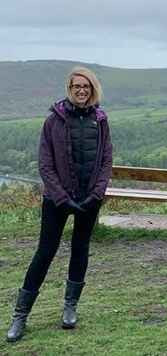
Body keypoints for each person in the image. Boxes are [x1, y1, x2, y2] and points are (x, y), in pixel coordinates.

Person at [6, 67, 113, 342]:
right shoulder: (54, 120)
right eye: (77, 86)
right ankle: (20, 315)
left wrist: (97, 194)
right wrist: (62, 198)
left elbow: (106, 161)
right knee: (44, 253)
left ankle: (70, 307)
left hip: (89, 198)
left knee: (80, 250)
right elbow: (45, 164)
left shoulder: (100, 120)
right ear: (69, 88)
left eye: (86, 87)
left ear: (92, 90)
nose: (81, 91)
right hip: (57, 200)